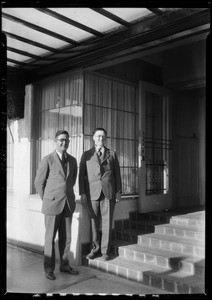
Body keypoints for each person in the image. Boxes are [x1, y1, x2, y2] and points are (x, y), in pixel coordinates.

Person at [34, 130, 79, 280]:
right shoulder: (47, 159)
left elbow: (71, 181)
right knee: (50, 239)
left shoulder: (72, 160)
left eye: (66, 140)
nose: (63, 143)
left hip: (67, 205)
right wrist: (48, 199)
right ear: (55, 141)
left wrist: (67, 197)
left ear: (69, 142)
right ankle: (49, 269)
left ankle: (64, 265)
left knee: (66, 239)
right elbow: (39, 183)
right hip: (52, 205)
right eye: (61, 140)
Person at [79, 127, 122, 261]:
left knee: (107, 223)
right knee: (93, 222)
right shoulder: (86, 155)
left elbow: (117, 175)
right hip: (92, 194)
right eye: (98, 136)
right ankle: (95, 249)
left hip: (108, 193)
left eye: (103, 136)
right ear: (93, 137)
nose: (101, 138)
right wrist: (83, 193)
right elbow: (81, 176)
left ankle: (105, 251)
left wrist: (118, 192)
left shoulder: (112, 154)